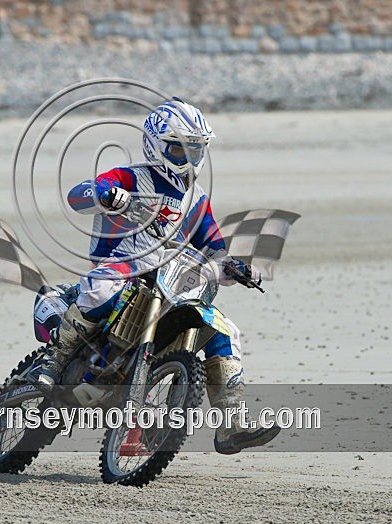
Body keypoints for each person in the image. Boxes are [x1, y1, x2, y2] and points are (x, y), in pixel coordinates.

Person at [28, 97, 279, 453]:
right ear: (155, 144)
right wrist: (107, 194)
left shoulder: (194, 196)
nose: (188, 159)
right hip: (120, 265)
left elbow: (211, 242)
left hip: (170, 278)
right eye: (179, 150)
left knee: (227, 332)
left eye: (195, 150)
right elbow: (77, 195)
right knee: (100, 291)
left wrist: (234, 265)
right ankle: (54, 361)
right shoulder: (132, 176)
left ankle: (231, 424)